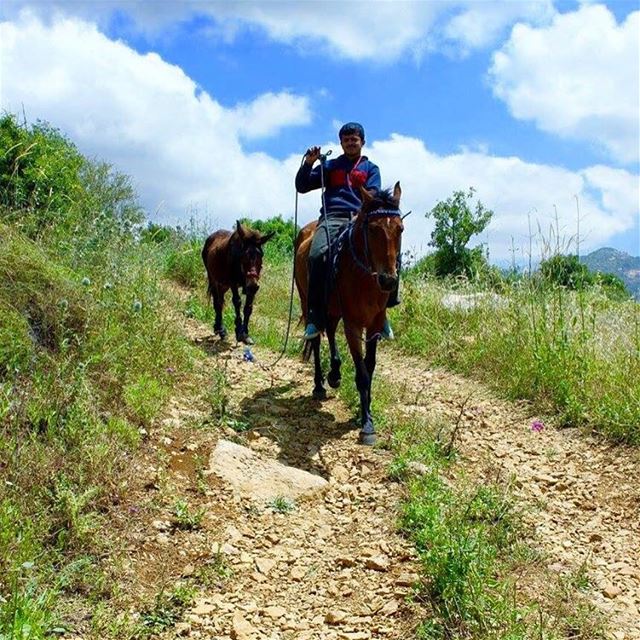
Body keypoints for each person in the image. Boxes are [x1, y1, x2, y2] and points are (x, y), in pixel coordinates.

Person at [295, 122, 399, 341]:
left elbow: (372, 195)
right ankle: (315, 317)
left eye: (355, 139)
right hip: (332, 217)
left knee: (389, 254)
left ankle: (384, 311)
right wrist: (309, 164)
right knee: (316, 255)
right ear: (341, 142)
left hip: (359, 217)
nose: (351, 142)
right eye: (346, 139)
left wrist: (360, 213)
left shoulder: (371, 169)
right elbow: (302, 186)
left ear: (362, 142)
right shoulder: (330, 166)